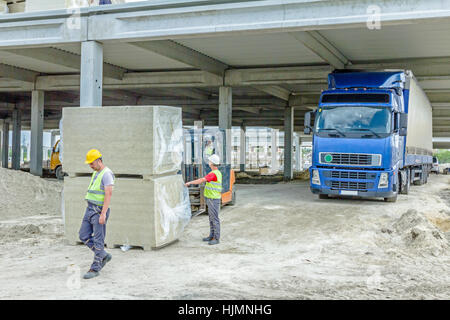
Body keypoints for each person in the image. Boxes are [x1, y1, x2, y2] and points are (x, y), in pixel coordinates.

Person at [79, 149, 115, 279]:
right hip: (89, 209)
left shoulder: (107, 174)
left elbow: (108, 194)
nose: (90, 166)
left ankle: (95, 269)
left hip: (99, 211)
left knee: (99, 240)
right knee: (83, 235)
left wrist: (103, 214)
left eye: (92, 163)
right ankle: (103, 255)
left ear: (99, 161)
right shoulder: (96, 173)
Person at [185, 154, 222, 245]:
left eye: (209, 161)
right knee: (211, 218)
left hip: (213, 199)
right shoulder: (216, 173)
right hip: (211, 198)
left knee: (214, 219)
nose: (208, 162)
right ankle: (211, 235)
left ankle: (216, 238)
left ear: (212, 163)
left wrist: (190, 183)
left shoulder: (213, 174)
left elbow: (202, 180)